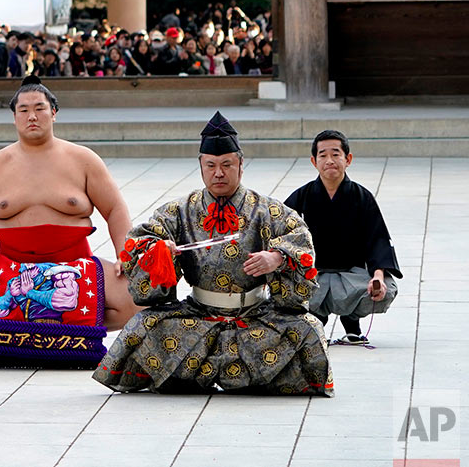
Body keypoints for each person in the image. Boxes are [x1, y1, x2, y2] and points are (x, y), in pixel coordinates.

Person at [94, 112, 332, 395]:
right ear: (201, 167)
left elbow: (301, 241)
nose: (219, 172)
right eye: (211, 165)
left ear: (241, 166)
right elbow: (141, 241)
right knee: (143, 325)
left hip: (256, 313)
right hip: (197, 313)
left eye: (227, 165)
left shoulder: (268, 210)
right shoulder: (179, 211)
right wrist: (159, 252)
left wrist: (277, 258)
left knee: (309, 328)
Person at [0, 77, 138, 367]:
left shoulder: (83, 160)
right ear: (14, 117)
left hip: (73, 269)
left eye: (40, 108)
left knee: (138, 296)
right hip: (10, 269)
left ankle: (63, 331)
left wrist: (123, 255)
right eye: (24, 109)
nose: (32, 116)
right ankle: (27, 335)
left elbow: (115, 209)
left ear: (54, 112)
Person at [284, 129, 402, 346]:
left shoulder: (362, 197)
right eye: (323, 155)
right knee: (283, 288)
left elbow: (377, 240)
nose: (329, 160)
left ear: (348, 159)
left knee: (387, 288)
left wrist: (377, 277)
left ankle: (352, 322)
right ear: (314, 161)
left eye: (336, 154)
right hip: (313, 274)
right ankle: (315, 321)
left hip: (351, 275)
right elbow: (279, 233)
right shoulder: (302, 196)